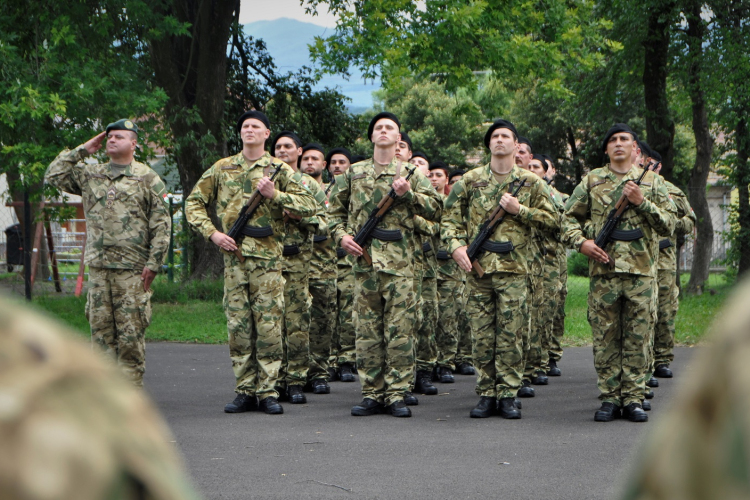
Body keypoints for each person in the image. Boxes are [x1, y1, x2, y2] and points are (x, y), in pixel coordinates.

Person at [0, 297, 201, 500]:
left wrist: (151, 264)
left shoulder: (35, 354)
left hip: (129, 275)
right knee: (102, 342)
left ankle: (132, 395)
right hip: (100, 275)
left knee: (129, 344)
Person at [185, 111, 318, 415]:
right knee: (239, 326)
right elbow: (193, 203)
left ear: (267, 133)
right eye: (245, 126)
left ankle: (267, 391)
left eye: (255, 126)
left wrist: (277, 195)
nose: (249, 130)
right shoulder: (222, 168)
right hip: (234, 259)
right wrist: (213, 234)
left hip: (269, 260)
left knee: (269, 326)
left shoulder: (279, 169)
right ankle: (245, 389)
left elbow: (311, 204)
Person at [328, 112, 441, 417]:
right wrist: (342, 237)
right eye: (378, 127)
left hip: (401, 265)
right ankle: (371, 393)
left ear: (398, 138)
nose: (383, 131)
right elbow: (332, 212)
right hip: (364, 265)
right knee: (367, 331)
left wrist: (408, 195)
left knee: (400, 331)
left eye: (389, 127)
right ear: (371, 136)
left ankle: (396, 393)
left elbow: (436, 210)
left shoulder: (411, 173)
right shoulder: (353, 173)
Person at [442, 119, 556, 419]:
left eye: (506, 136)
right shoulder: (470, 180)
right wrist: (456, 247)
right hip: (478, 270)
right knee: (481, 335)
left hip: (515, 271)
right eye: (495, 136)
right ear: (488, 144)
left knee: (512, 334)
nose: (500, 140)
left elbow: (554, 222)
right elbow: (449, 219)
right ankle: (486, 393)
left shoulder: (532, 183)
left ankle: (508, 394)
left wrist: (521, 211)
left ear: (516, 145)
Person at [562, 123, 675, 423]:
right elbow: (567, 220)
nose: (618, 144)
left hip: (641, 275)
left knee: (638, 339)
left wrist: (642, 202)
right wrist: (583, 243)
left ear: (635, 147)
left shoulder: (652, 182)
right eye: (612, 140)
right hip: (604, 274)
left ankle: (634, 399)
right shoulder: (592, 180)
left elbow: (670, 225)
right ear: (606, 149)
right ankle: (610, 399)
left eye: (624, 139)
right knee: (606, 339)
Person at [44, 119, 171, 387]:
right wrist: (82, 150)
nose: (112, 140)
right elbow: (53, 175)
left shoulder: (147, 177)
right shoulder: (92, 175)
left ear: (134, 143)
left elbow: (161, 224)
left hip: (132, 271)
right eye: (109, 136)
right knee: (100, 337)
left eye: (119, 136)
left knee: (130, 337)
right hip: (100, 271)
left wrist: (154, 264)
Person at [618, 277, 750, 500]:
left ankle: (634, 390)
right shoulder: (742, 321)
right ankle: (616, 395)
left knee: (645, 325)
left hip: (642, 271)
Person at [272, 133, 327, 404]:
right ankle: (270, 380)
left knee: (296, 322)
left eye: (288, 146)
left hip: (296, 264)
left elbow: (326, 223)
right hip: (265, 263)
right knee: (269, 324)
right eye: (278, 146)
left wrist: (298, 215)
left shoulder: (307, 184)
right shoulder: (262, 180)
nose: (282, 150)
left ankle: (294, 379)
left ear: (299, 151)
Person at [647, 148, 696, 381]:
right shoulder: (630, 188)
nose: (646, 167)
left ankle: (662, 358)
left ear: (658, 166)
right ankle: (642, 362)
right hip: (639, 260)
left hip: (664, 263)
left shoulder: (672, 192)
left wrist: (670, 224)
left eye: (650, 164)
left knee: (664, 310)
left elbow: (690, 221)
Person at [300, 143, 339, 394]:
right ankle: (295, 372)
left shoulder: (333, 192)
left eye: (315, 158)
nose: (309, 162)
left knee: (322, 323)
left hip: (323, 265)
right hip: (296, 264)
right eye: (306, 158)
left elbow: (333, 224)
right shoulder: (291, 187)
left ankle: (318, 373)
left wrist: (303, 219)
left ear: (324, 165)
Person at [324, 147, 357, 382]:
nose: (337, 166)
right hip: (323, 260)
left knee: (346, 312)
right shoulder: (321, 192)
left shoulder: (353, 190)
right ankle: (330, 360)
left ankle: (346, 359)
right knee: (327, 312)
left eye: (342, 162)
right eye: (333, 162)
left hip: (346, 260)